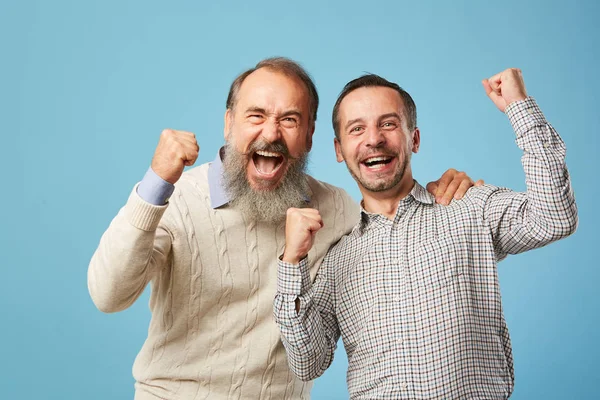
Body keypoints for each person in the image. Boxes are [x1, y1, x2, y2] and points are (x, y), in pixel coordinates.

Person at [88, 57, 478, 400]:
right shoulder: (177, 199)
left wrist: (450, 194)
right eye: (255, 115)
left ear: (309, 137)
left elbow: (396, 231)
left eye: (289, 120)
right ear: (229, 124)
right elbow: (109, 295)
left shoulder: (336, 209)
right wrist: (156, 182)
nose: (271, 133)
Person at [274, 68, 578, 399]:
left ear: (414, 139)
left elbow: (555, 217)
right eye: (357, 128)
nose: (373, 139)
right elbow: (307, 364)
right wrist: (293, 262)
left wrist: (519, 107)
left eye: (388, 124)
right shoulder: (335, 261)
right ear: (339, 149)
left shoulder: (468, 207)